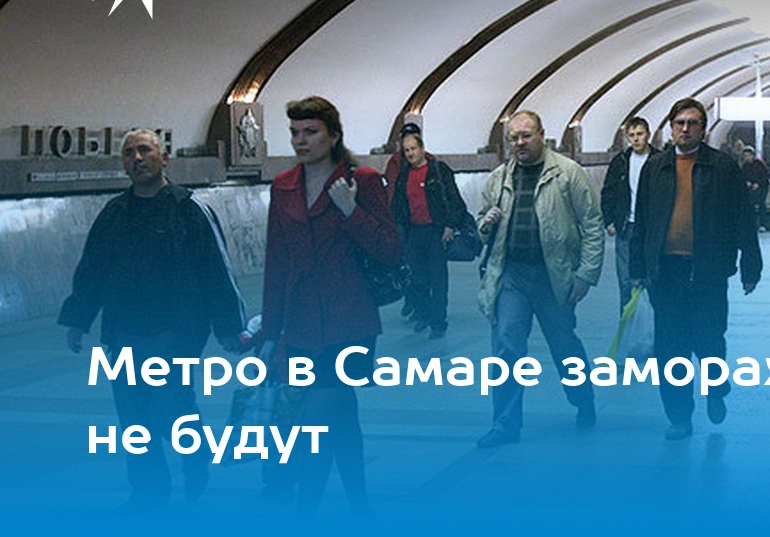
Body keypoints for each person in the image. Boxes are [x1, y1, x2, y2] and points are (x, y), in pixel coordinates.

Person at [58, 129, 246, 511]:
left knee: (169, 409)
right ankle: (148, 493)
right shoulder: (115, 213)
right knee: (134, 420)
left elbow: (216, 271)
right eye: (129, 153)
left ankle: (194, 453)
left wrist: (230, 327)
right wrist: (78, 318)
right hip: (124, 333)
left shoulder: (189, 210)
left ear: (164, 158)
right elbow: (93, 268)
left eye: (144, 150)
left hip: (175, 334)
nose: (137, 158)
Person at [260, 96, 402, 518]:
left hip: (350, 321)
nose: (301, 140)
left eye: (311, 132)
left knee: (317, 421)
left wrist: (350, 210)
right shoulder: (283, 186)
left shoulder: (362, 181)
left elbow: (390, 249)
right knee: (341, 419)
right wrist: (270, 333)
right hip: (301, 322)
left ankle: (305, 515)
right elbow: (277, 262)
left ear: (334, 135)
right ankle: (361, 508)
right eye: (295, 133)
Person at [630, 98, 763, 441]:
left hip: (709, 270)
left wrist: (750, 265)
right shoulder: (655, 168)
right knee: (670, 349)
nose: (685, 129)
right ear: (671, 127)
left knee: (710, 340)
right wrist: (637, 267)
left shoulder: (722, 167)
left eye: (692, 123)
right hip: (666, 271)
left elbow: (742, 218)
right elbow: (642, 219)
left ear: (703, 129)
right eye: (679, 123)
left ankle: (716, 388)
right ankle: (679, 417)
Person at [476, 109, 604, 448]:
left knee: (564, 345)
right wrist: (486, 223)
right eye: (513, 138)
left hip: (554, 275)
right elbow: (481, 225)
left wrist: (586, 274)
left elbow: (592, 224)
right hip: (511, 275)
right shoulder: (499, 178)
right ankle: (504, 425)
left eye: (525, 136)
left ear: (542, 135)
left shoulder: (568, 173)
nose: (519, 143)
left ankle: (583, 399)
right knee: (506, 347)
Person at [385, 130, 471, 339]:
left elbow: (454, 200)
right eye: (406, 151)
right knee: (416, 279)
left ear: (422, 149)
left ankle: (438, 322)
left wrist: (450, 225)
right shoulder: (404, 174)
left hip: (436, 232)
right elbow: (399, 204)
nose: (410, 154)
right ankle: (423, 315)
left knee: (438, 279)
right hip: (414, 232)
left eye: (413, 149)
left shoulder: (439, 170)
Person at [601, 116, 659, 314]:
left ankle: (658, 325)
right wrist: (609, 220)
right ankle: (626, 324)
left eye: (639, 134)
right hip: (627, 226)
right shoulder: (620, 162)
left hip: (652, 229)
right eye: (631, 135)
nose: (635, 139)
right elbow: (608, 191)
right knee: (626, 282)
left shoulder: (660, 160)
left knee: (653, 279)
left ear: (648, 134)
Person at [740, 146, 770, 231]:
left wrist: (758, 183)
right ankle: (751, 223)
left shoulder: (759, 164)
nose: (747, 157)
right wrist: (747, 182)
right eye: (745, 156)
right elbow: (742, 176)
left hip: (762, 187)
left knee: (761, 204)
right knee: (749, 204)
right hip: (750, 188)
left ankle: (762, 224)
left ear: (752, 155)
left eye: (749, 155)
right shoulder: (745, 166)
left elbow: (765, 176)